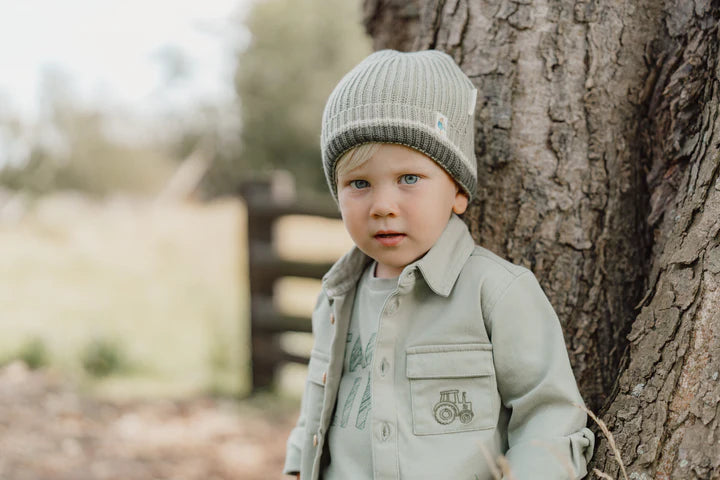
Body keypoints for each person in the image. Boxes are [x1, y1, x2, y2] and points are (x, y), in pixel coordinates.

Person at [283, 49, 594, 480]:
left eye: (409, 179)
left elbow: (550, 416)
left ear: (458, 191)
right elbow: (315, 410)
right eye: (359, 183)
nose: (382, 206)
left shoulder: (497, 293)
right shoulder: (336, 296)